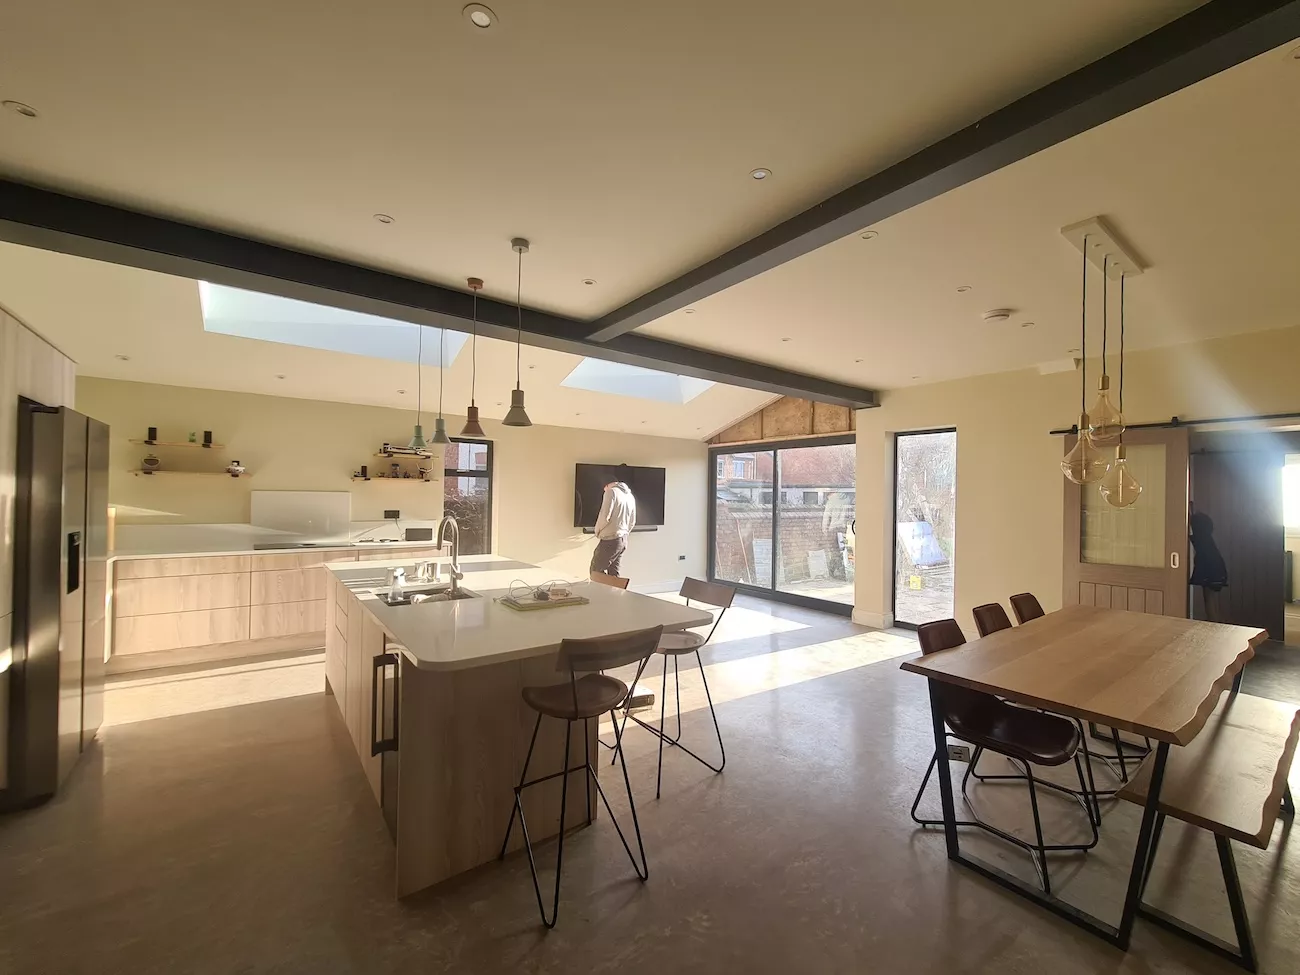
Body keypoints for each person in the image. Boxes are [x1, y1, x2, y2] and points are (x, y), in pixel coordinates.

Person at [1189, 505, 1228, 621]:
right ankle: (1214, 624)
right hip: (1217, 571)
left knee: (1209, 601)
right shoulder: (1206, 538)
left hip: (1211, 573)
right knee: (1211, 601)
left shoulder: (1200, 539)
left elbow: (1192, 538)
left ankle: (1213, 626)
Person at [590, 480, 636, 577]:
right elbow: (632, 521)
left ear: (608, 484)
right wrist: (624, 533)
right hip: (622, 540)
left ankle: (601, 592)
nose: (604, 490)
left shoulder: (611, 492)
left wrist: (597, 531)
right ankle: (615, 592)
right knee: (614, 574)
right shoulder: (630, 496)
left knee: (596, 572)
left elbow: (605, 515)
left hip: (610, 540)